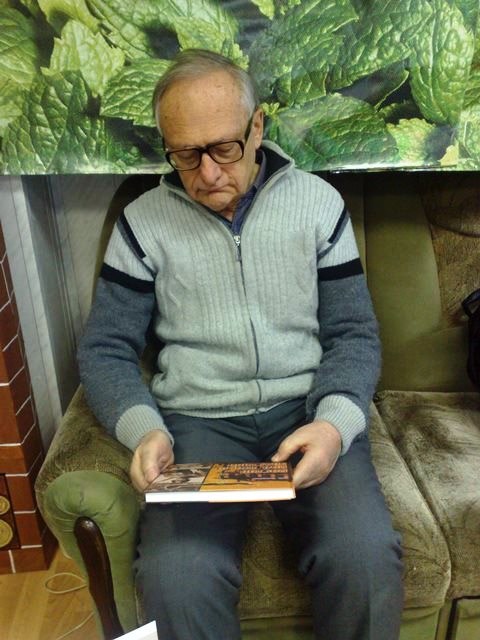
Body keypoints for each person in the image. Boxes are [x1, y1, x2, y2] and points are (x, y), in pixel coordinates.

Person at [78, 49, 403, 640]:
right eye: (186, 154)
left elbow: (354, 333)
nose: (207, 174)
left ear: (257, 129)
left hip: (306, 412)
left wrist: (334, 426)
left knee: (364, 555)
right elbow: (104, 350)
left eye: (224, 148)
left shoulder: (318, 205)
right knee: (176, 578)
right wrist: (144, 430)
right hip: (197, 423)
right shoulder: (141, 224)